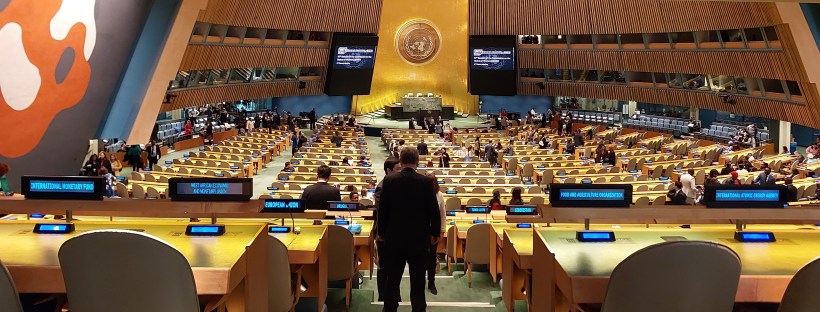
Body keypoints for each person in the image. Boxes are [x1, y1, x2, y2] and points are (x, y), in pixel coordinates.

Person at [378, 148, 441, 312]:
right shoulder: (426, 182)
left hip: (394, 238)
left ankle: (390, 308)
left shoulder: (389, 180)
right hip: (419, 240)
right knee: (418, 280)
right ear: (417, 162)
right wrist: (435, 233)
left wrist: (381, 233)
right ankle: (418, 309)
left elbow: (383, 210)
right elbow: (434, 211)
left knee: (392, 279)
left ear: (401, 161)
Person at [373, 157, 402, 301]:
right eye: (398, 169)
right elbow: (382, 213)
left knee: (395, 267)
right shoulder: (381, 187)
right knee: (384, 267)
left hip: (396, 233)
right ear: (389, 171)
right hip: (384, 234)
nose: (401, 172)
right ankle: (383, 297)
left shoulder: (396, 184)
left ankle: (394, 295)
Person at [423, 173, 446, 295]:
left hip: (434, 231)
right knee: (421, 257)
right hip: (421, 231)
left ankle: (431, 282)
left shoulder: (439, 195)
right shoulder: (420, 193)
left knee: (432, 258)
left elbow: (442, 215)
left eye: (433, 182)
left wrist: (442, 231)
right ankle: (420, 281)